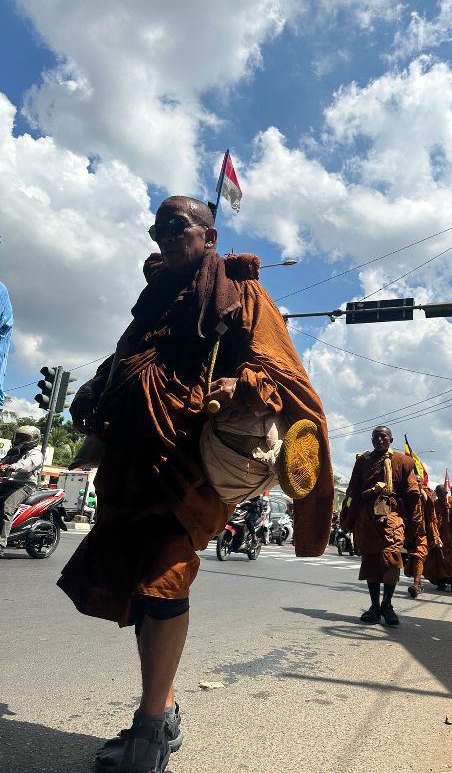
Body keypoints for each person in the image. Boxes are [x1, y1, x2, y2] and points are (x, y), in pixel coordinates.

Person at [57, 196, 333, 773]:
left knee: (165, 579)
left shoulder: (241, 291)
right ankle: (166, 704)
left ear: (209, 237)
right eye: (158, 226)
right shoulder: (152, 300)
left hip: (189, 462)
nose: (163, 233)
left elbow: (279, 367)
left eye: (177, 224)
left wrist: (244, 384)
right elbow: (127, 356)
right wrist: (97, 387)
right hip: (131, 461)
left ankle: (150, 732)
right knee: (139, 584)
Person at [340, 425, 420, 625]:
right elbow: (352, 491)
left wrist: (413, 516)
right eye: (376, 437)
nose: (380, 440)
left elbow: (412, 492)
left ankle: (387, 604)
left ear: (391, 440)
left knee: (392, 561)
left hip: (393, 518)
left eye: (383, 436)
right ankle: (374, 606)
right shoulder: (363, 461)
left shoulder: (403, 462)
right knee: (371, 563)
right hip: (367, 519)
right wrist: (351, 511)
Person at [0, 425, 44, 556]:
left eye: (24, 437)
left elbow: (27, 465)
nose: (20, 439)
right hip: (9, 483)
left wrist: (11, 467)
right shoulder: (14, 452)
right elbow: (3, 462)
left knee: (6, 508)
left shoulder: (36, 454)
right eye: (18, 436)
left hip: (25, 485)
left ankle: (1, 544)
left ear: (34, 439)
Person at [423, 484, 452, 592]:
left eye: (445, 493)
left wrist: (451, 510)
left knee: (451, 560)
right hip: (437, 536)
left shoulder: (451, 504)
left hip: (449, 538)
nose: (444, 495)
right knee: (438, 560)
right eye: (441, 493)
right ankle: (441, 583)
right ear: (438, 494)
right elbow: (429, 518)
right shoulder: (434, 504)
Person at [403, 474, 431, 598]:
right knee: (412, 560)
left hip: (422, 533)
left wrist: (421, 491)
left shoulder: (425, 495)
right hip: (409, 533)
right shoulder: (408, 495)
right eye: (414, 481)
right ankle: (418, 583)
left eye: (419, 481)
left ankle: (415, 584)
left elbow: (430, 507)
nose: (416, 483)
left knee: (419, 557)